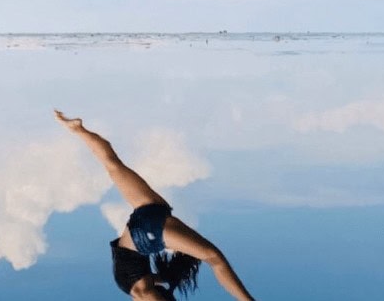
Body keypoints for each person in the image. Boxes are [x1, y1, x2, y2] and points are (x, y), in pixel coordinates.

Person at [55, 110, 256, 300]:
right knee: (113, 165)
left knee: (214, 258)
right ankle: (78, 130)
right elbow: (158, 284)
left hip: (149, 220)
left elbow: (164, 279)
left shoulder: (142, 287)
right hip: (144, 219)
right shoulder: (140, 287)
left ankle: (78, 130)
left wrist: (168, 278)